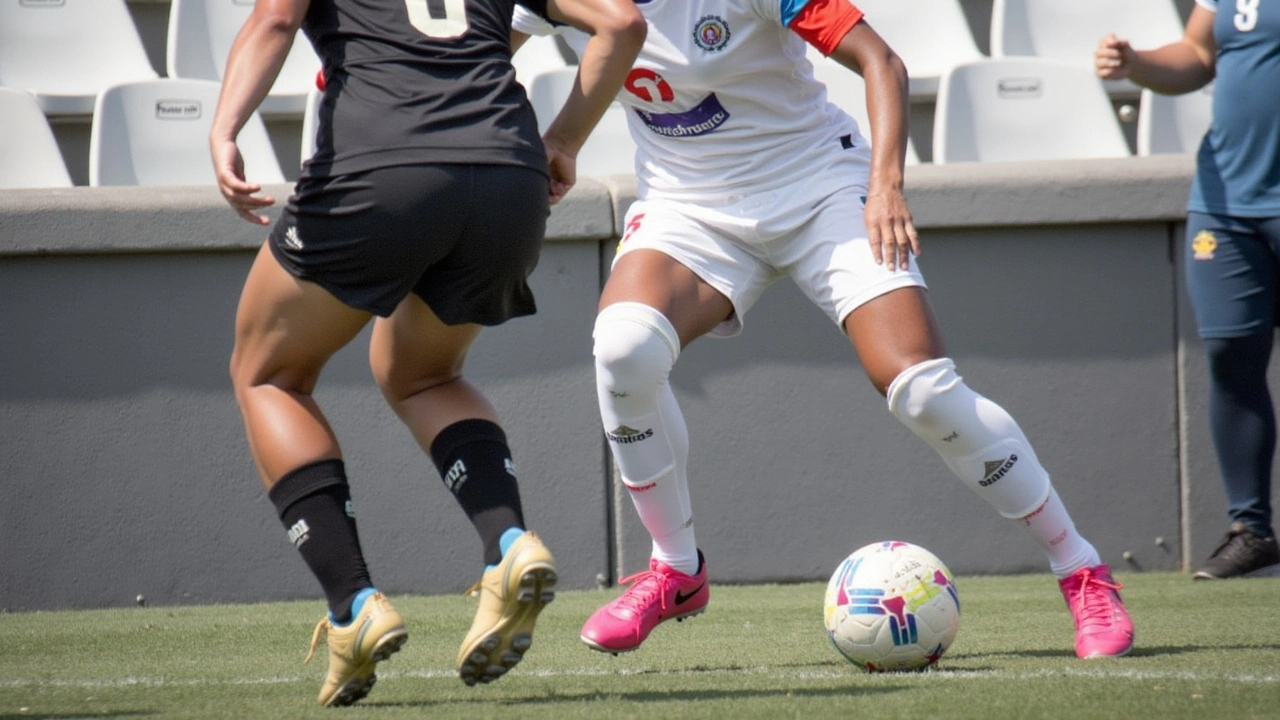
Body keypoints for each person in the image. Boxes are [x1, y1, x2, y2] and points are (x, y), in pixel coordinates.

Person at [513, 0, 1134, 660]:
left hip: (819, 187)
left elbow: (881, 62)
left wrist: (886, 183)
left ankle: (1082, 569)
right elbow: (476, 54)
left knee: (922, 392)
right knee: (623, 349)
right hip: (687, 206)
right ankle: (676, 570)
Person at [210, 0, 644, 705]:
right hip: (509, 178)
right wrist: (563, 140)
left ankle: (352, 604)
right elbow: (622, 24)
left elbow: (273, 22)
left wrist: (226, 128)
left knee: (268, 374)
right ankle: (507, 544)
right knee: (422, 374)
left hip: (386, 169)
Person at [1096, 1, 1280, 580]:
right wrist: (1137, 64)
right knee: (1230, 353)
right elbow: (1200, 54)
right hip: (1226, 203)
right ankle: (1250, 530)